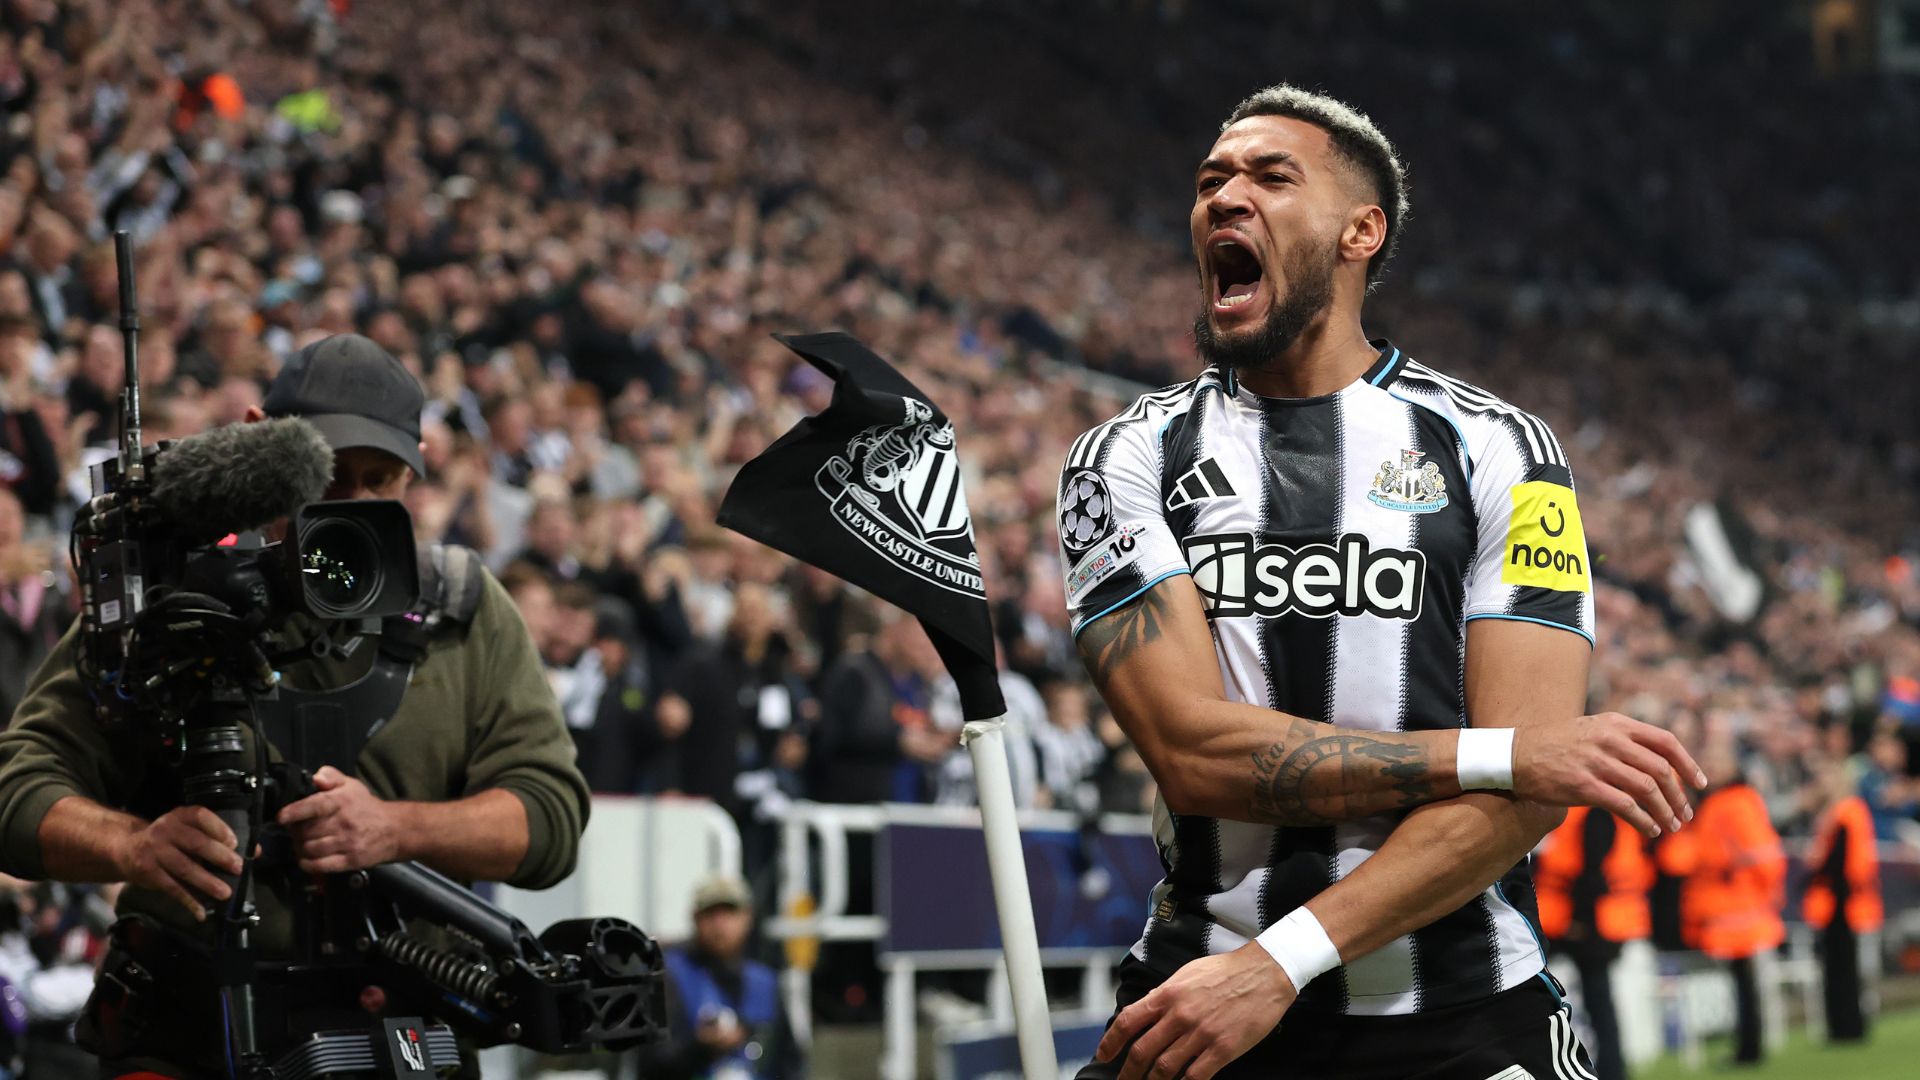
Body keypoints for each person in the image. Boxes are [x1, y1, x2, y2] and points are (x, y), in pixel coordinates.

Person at [1058, 85, 1702, 1080]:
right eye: (1210, 180)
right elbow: (1193, 753)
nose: (1226, 196)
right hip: (1197, 1011)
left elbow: (1531, 795)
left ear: (1363, 231)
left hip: (1458, 1016)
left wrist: (1280, 962)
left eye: (1273, 176)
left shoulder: (1505, 449)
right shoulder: (1124, 457)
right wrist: (1503, 754)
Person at [0, 333, 591, 1079]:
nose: (355, 508)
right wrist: (132, 845)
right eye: (330, 476)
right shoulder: (174, 601)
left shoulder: (464, 610)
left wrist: (396, 829)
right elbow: (15, 788)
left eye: (382, 481)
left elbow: (551, 815)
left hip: (400, 1035)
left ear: (416, 472)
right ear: (260, 445)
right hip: (191, 1036)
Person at [1657, 739, 1784, 1066]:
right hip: (1733, 906)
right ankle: (1748, 1048)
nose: (1709, 768)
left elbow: (1755, 855)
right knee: (1743, 983)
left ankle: (1749, 1051)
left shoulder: (1733, 802)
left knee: (1744, 983)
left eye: (1716, 761)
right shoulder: (1724, 801)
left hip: (1738, 908)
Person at [1533, 807, 1654, 1080]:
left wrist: (1579, 921)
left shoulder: (1593, 812)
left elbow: (1593, 873)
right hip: (1590, 923)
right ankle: (1608, 1068)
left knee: (1597, 1003)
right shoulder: (1589, 810)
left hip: (1591, 926)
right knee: (1595, 1002)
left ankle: (1611, 1070)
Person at [646, 875, 804, 1080]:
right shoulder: (670, 976)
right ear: (695, 918)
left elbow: (790, 1061)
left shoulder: (765, 982)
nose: (720, 924)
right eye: (710, 914)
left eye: (730, 912)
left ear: (748, 917)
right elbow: (653, 1063)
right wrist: (700, 1048)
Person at [1800, 764, 1881, 1043]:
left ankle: (1847, 1027)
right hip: (1839, 901)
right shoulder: (1839, 813)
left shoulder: (1845, 813)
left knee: (1843, 969)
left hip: (1843, 901)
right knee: (1840, 968)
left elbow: (1840, 862)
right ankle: (1844, 1026)